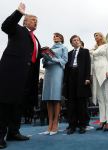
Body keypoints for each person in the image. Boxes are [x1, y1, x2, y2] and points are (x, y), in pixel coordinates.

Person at [0, 3, 41, 149]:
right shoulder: (17, 29)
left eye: (37, 20)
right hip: (11, 71)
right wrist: (18, 12)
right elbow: (5, 26)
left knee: (17, 104)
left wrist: (43, 52)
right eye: (33, 20)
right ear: (25, 21)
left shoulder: (34, 38)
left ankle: (14, 132)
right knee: (5, 103)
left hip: (26, 76)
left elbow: (32, 55)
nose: (36, 22)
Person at [64, 35, 91, 134]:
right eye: (74, 40)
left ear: (80, 41)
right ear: (71, 43)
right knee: (71, 102)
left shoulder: (85, 51)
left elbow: (88, 65)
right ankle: (72, 125)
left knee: (81, 102)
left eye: (77, 40)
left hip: (81, 77)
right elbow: (66, 67)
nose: (76, 41)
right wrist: (65, 80)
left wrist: (87, 77)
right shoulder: (69, 53)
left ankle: (82, 125)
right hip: (71, 76)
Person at [42, 33, 68, 135]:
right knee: (48, 97)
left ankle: (55, 123)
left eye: (57, 36)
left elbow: (65, 60)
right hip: (48, 71)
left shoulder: (64, 48)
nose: (55, 38)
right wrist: (45, 58)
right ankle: (50, 123)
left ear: (61, 38)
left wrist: (53, 59)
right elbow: (44, 61)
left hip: (57, 71)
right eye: (54, 36)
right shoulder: (49, 48)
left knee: (56, 97)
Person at [90, 32, 108, 131]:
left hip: (105, 72)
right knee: (100, 98)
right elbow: (91, 63)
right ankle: (102, 120)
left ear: (102, 37)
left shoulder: (107, 45)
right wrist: (91, 74)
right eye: (94, 36)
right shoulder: (93, 49)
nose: (96, 37)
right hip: (96, 73)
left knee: (107, 97)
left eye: (97, 35)